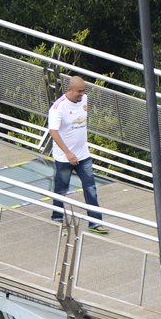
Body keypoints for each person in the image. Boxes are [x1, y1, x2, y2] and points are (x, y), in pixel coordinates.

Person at [48, 75, 106, 234]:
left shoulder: (84, 100)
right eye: (78, 91)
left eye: (83, 91)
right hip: (64, 157)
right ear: (69, 90)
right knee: (61, 188)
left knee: (90, 188)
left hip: (83, 155)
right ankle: (57, 215)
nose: (81, 94)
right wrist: (68, 153)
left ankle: (95, 222)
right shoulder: (58, 108)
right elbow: (53, 131)